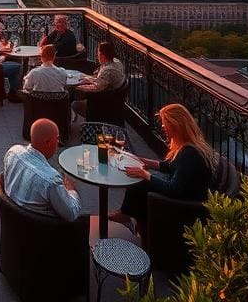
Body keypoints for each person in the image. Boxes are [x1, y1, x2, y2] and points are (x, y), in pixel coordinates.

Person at [110, 104, 216, 235]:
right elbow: (170, 167)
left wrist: (146, 175)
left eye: (165, 123)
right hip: (187, 194)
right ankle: (130, 216)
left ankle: (128, 216)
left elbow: (173, 189)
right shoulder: (189, 147)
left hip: (184, 204)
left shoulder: (189, 153)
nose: (162, 126)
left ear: (175, 125)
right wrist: (144, 162)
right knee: (140, 179)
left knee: (140, 181)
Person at [3, 118, 81, 221]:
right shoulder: (51, 181)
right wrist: (71, 189)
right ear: (48, 142)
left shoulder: (13, 152)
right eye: (57, 139)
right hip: (41, 230)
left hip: (14, 220)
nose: (58, 143)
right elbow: (71, 214)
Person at [71, 40, 127, 118]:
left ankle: (91, 120)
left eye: (97, 53)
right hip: (114, 100)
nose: (97, 55)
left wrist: (78, 87)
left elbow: (96, 88)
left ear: (102, 55)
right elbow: (102, 81)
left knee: (75, 104)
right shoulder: (117, 62)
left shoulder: (108, 70)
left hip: (104, 104)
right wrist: (88, 79)